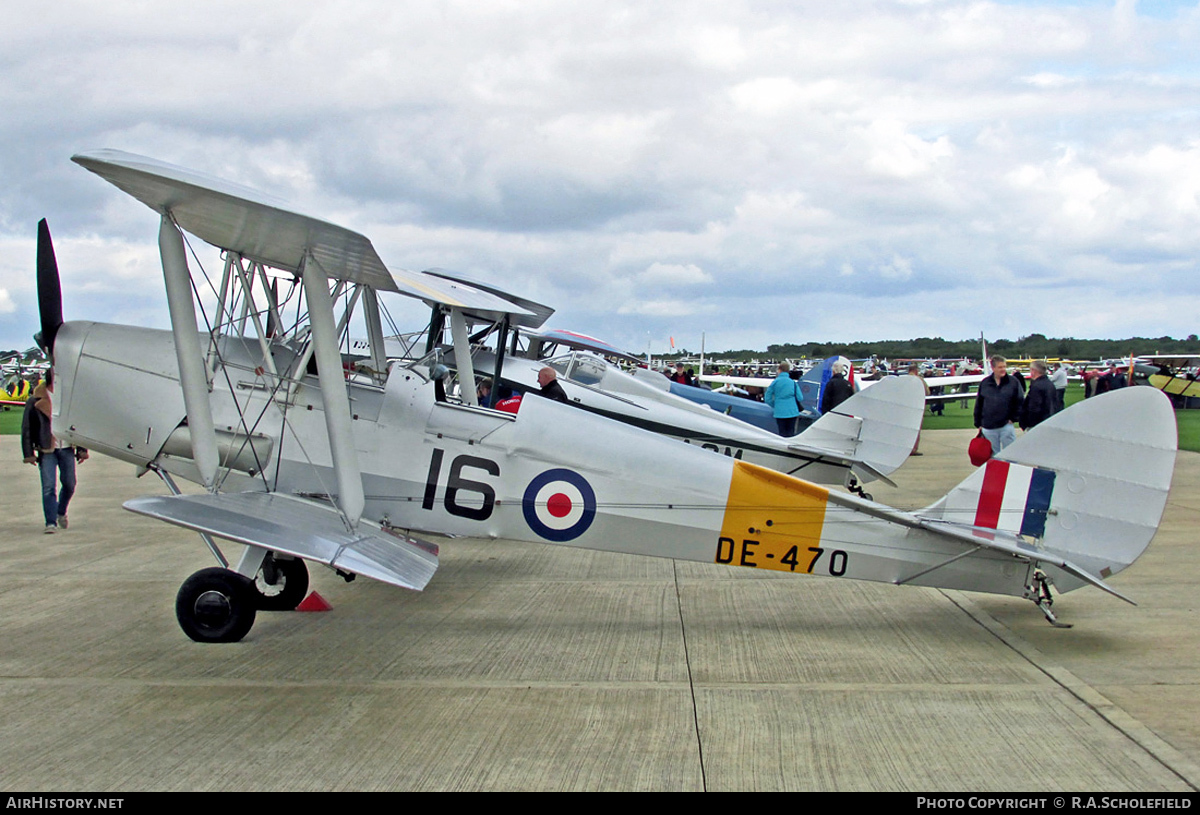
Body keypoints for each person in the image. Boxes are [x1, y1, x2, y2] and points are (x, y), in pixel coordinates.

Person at [21, 374, 88, 534]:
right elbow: (27, 428)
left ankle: (60, 511)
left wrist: (82, 449)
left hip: (66, 448)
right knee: (49, 487)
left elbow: (78, 425)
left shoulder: (68, 399)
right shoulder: (35, 400)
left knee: (70, 484)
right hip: (46, 449)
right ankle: (50, 522)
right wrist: (28, 453)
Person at [973, 355, 1023, 455]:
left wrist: (1014, 418)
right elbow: (979, 403)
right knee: (992, 456)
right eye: (1000, 367)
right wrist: (978, 423)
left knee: (1010, 454)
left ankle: (1010, 470)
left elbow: (1020, 401)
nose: (1003, 369)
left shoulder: (1013, 382)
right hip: (988, 426)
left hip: (1006, 425)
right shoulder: (985, 383)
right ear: (993, 368)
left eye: (1004, 366)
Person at [764, 362, 802, 437]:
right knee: (791, 433)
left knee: (782, 433)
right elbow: (800, 397)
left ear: (779, 370)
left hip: (780, 412)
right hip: (792, 411)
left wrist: (775, 404)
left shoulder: (775, 382)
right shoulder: (793, 383)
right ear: (788, 371)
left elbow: (767, 398)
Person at [1020, 360, 1057, 430]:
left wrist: (1026, 422)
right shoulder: (1050, 384)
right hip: (1048, 419)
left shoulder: (1036, 386)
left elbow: (1034, 407)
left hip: (1036, 423)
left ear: (1033, 370)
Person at [907, 363, 930, 455]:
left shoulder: (903, 380)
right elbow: (927, 392)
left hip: (905, 406)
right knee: (916, 429)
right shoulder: (920, 380)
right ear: (916, 370)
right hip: (917, 406)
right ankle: (913, 449)